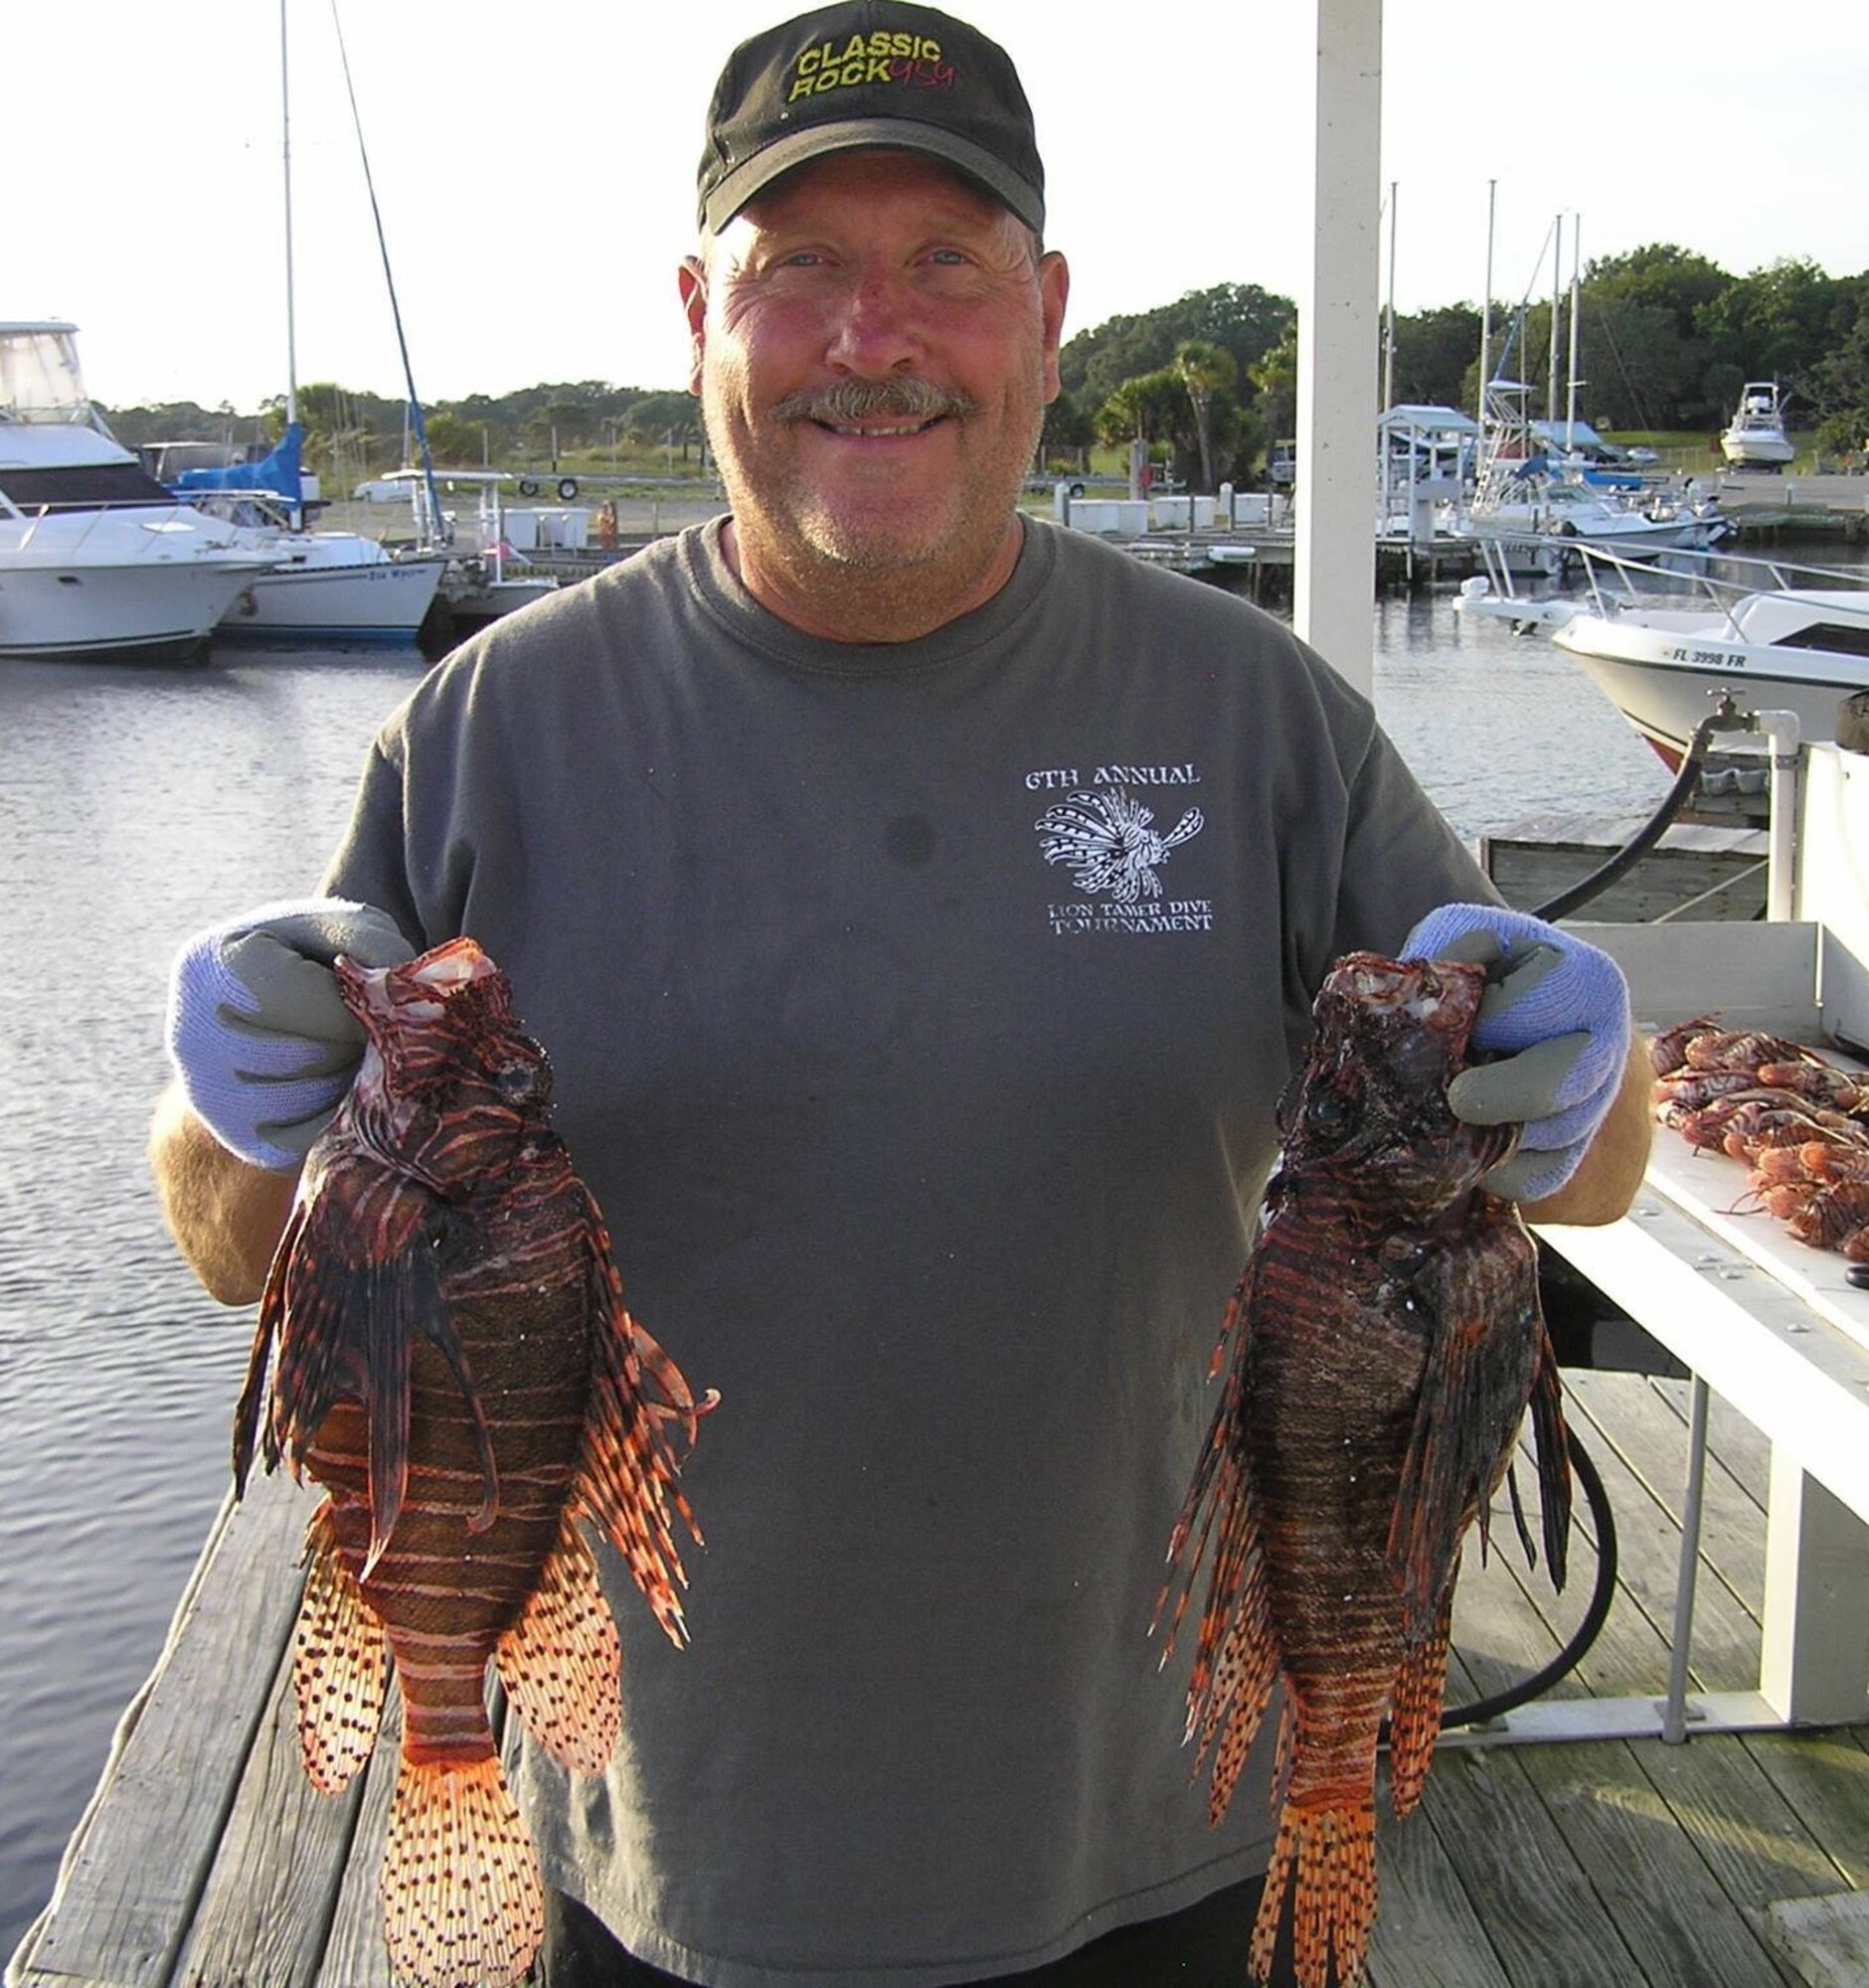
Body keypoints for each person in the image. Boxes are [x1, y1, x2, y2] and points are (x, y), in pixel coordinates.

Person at [149, 6, 1653, 1984]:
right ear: (701, 310)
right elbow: (229, 1250)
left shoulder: (1256, 712)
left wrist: (1577, 1059)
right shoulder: (488, 730)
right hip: (656, 1859)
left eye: (943, 266)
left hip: (1159, 1829)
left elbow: (1596, 1182)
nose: (874, 337)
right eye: (800, 274)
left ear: (1043, 314)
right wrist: (234, 1113)